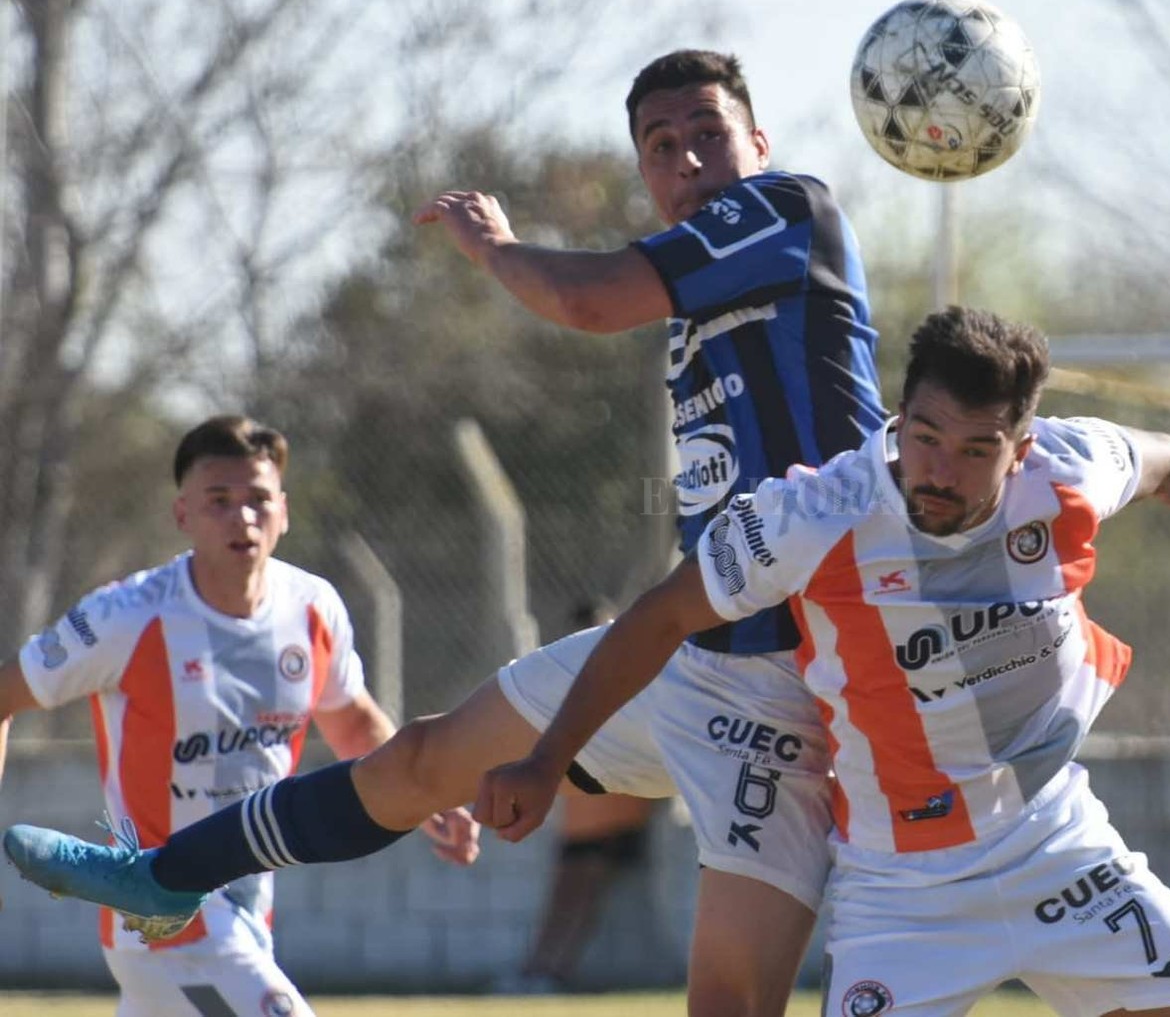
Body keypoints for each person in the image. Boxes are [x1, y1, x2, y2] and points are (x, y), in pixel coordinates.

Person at [6, 50, 884, 1017]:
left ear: (756, 143)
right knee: (426, 759)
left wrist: (496, 248)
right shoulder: (697, 307)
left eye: (708, 133)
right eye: (660, 145)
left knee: (727, 1004)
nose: (685, 159)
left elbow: (586, 300)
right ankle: (164, 875)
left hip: (800, 678)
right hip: (694, 650)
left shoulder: (786, 209)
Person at [464, 306, 1170, 1017]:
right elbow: (659, 616)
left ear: (1019, 446)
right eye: (926, 436)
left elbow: (1169, 462)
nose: (940, 468)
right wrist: (548, 760)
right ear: (899, 417)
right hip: (902, 890)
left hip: (1058, 848)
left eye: (975, 450)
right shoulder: (816, 514)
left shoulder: (1066, 472)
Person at [0, 415, 479, 1017]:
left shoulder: (313, 607)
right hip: (163, 918)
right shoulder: (126, 616)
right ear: (183, 515)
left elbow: (352, 720)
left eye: (257, 500)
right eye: (219, 501)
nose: (242, 518)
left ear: (284, 510)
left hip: (247, 911)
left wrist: (423, 795)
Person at [493, 600, 663, 995]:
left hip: (615, 822)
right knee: (564, 900)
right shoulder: (565, 685)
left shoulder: (632, 678)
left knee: (577, 899)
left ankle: (550, 971)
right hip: (579, 825)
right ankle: (539, 969)